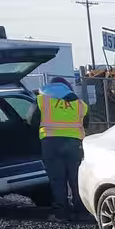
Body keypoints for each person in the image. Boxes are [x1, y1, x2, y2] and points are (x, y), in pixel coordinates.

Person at [33, 77, 88, 220]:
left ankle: (61, 213)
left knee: (57, 180)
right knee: (76, 178)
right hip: (74, 144)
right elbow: (86, 123)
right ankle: (81, 211)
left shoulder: (42, 101)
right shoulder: (80, 104)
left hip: (51, 143)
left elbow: (31, 120)